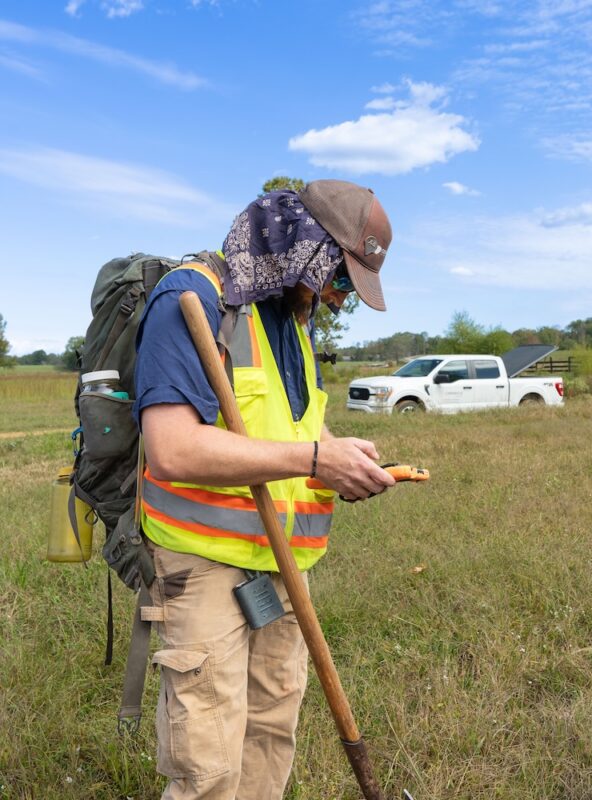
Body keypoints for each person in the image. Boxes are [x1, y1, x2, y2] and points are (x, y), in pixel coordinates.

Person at [132, 180, 396, 799]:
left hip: (282, 569)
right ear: (303, 244)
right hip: (203, 567)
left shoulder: (293, 324)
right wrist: (311, 458)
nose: (337, 295)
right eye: (337, 274)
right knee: (210, 768)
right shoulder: (194, 298)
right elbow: (171, 448)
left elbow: (298, 422)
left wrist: (341, 454)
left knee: (270, 738)